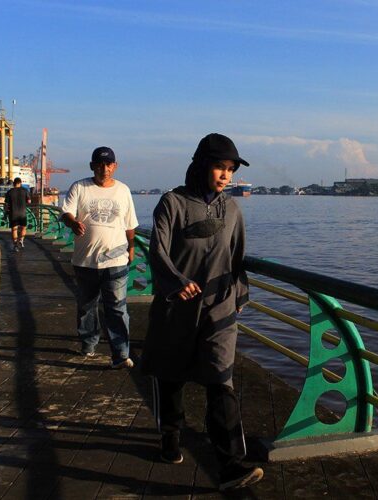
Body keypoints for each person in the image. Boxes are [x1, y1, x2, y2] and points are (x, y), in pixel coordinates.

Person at [140, 133, 262, 491]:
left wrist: (238, 296)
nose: (226, 176)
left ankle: (230, 466)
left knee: (221, 380)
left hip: (218, 307)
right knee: (170, 374)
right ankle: (170, 435)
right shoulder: (172, 203)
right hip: (177, 306)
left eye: (230, 170)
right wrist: (176, 282)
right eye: (220, 167)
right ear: (200, 166)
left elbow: (237, 258)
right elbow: (157, 251)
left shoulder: (232, 210)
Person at [61, 146, 139, 369]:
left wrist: (131, 247)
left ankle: (121, 354)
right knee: (87, 306)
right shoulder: (79, 187)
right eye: (100, 164)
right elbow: (66, 213)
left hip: (116, 260)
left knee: (117, 308)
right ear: (92, 166)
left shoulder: (123, 190)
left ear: (115, 166)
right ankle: (89, 343)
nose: (105, 168)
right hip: (85, 260)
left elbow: (130, 224)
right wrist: (72, 222)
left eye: (109, 164)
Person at [4, 177, 31, 251]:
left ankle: (15, 245)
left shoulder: (9, 192)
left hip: (13, 213)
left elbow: (6, 204)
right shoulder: (25, 191)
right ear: (20, 183)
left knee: (14, 229)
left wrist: (5, 213)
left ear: (13, 183)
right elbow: (29, 201)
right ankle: (21, 240)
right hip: (22, 213)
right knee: (23, 228)